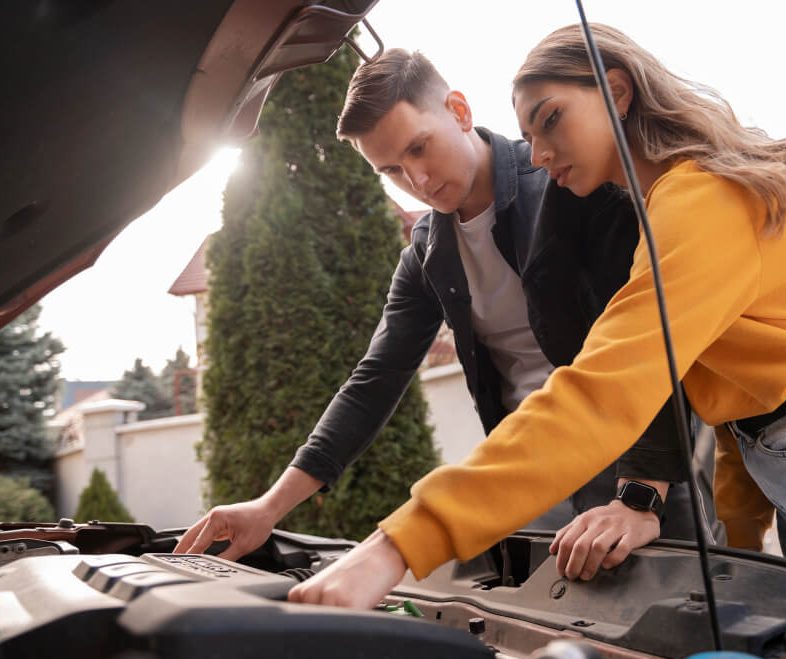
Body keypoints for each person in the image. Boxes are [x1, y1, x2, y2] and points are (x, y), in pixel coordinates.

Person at [287, 23, 786, 608]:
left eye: (551, 120)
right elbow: (739, 398)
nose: (540, 155)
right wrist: (744, 532)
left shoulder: (699, 200)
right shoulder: (667, 206)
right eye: (528, 134)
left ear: (617, 90)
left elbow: (602, 390)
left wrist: (398, 543)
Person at [174, 48, 721, 567]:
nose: (417, 180)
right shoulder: (426, 255)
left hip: (641, 458)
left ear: (458, 110)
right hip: (533, 474)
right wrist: (268, 508)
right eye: (390, 170)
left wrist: (642, 493)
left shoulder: (568, 185)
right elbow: (375, 380)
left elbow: (647, 337)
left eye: (418, 147)